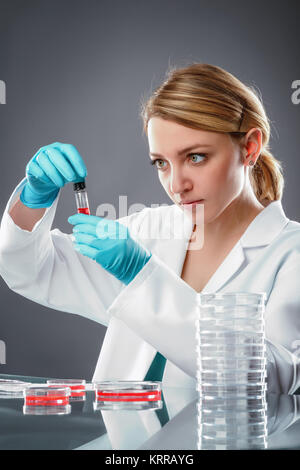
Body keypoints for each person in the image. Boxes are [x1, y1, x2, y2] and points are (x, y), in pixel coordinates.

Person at [0, 63, 299, 398]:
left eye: (196, 157)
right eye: (161, 163)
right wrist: (34, 197)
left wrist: (142, 274)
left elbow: (271, 380)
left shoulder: (291, 255)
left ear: (250, 147)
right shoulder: (151, 230)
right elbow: (32, 271)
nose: (176, 185)